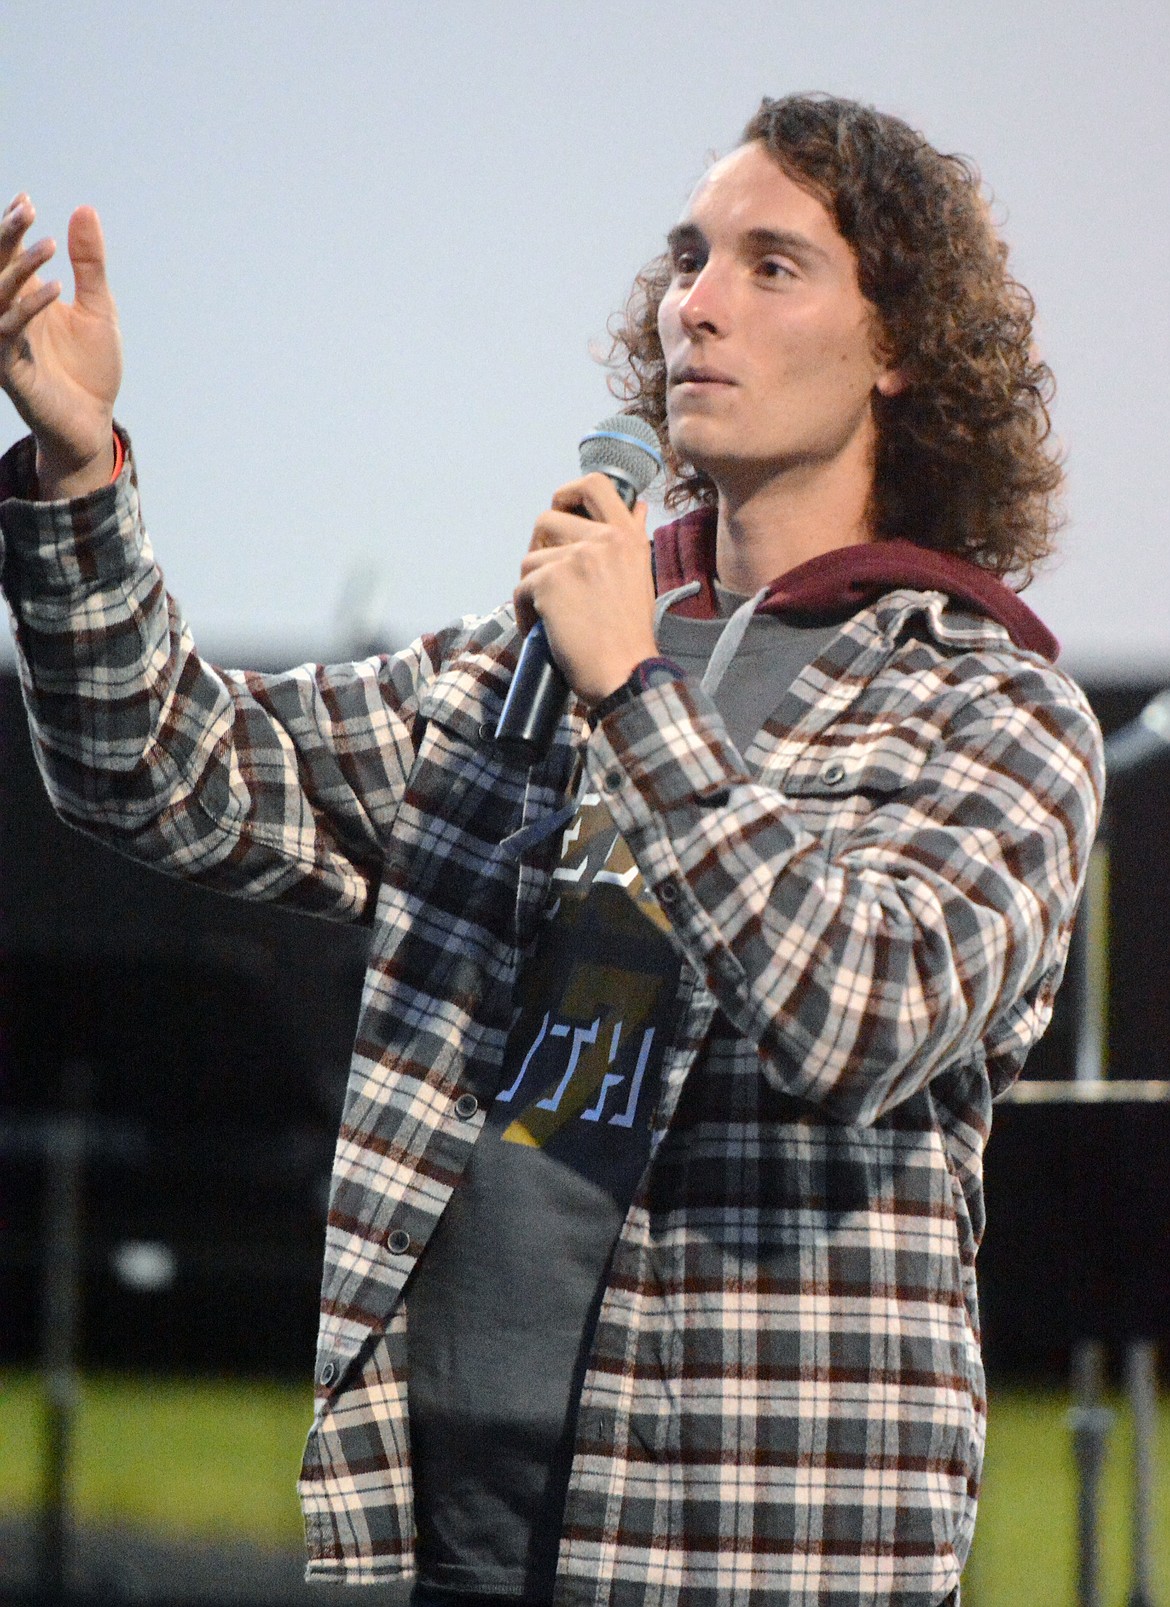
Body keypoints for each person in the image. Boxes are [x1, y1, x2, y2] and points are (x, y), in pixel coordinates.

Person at [0, 94, 1102, 1607]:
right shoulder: (522, 670)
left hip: (756, 1531)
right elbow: (165, 769)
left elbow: (865, 1008)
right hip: (445, 1503)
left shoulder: (989, 706)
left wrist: (638, 699)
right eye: (687, 259)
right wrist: (77, 484)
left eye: (769, 267)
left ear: (901, 346)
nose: (691, 307)